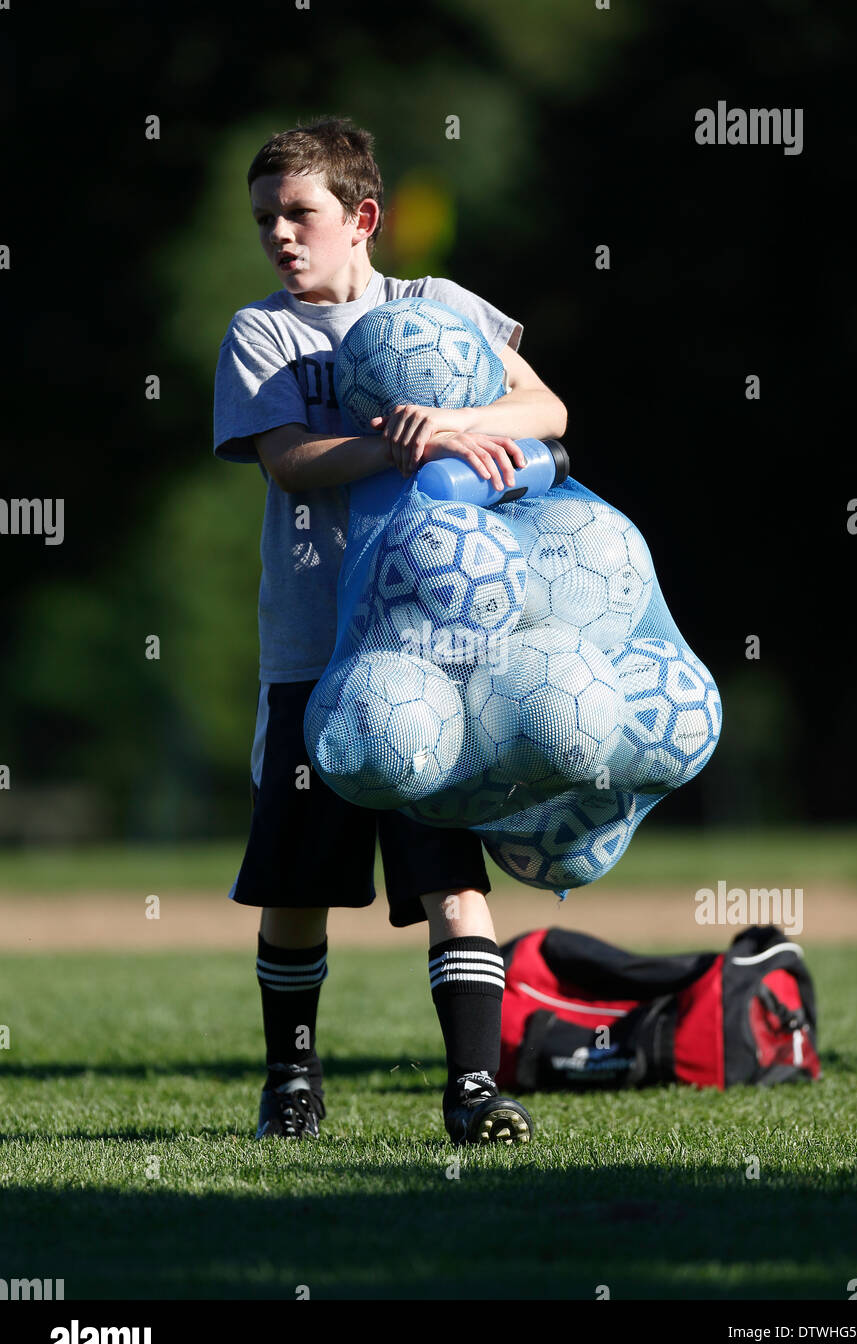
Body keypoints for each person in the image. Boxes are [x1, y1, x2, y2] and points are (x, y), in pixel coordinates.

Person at [213, 115, 568, 1146]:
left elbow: (545, 410)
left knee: (450, 874)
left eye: (299, 214)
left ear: (362, 217)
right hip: (314, 653)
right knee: (297, 883)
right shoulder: (265, 332)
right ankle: (291, 1079)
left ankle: (472, 1088)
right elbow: (289, 460)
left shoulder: (441, 310)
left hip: (436, 650)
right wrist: (389, 442)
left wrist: (453, 426)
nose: (281, 234)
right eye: (265, 219)